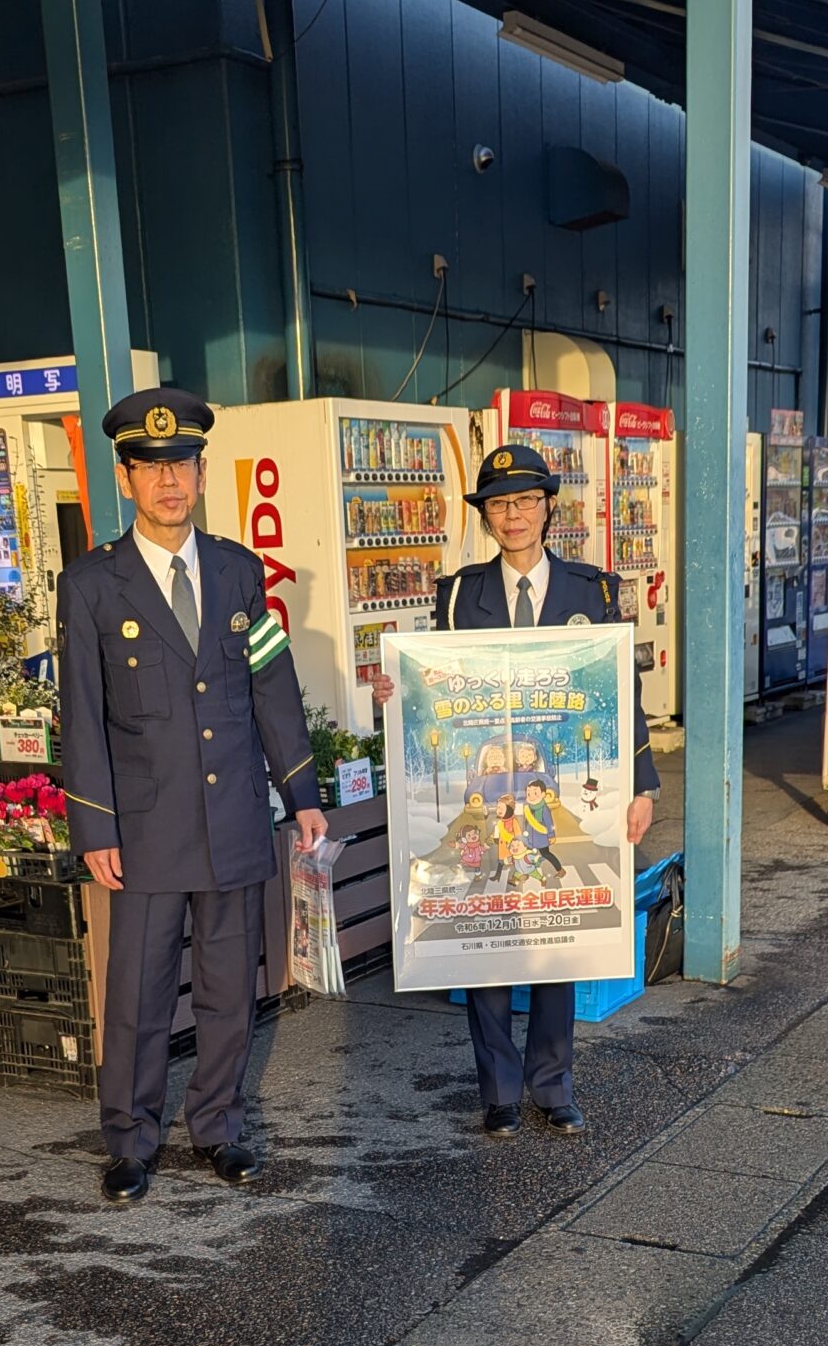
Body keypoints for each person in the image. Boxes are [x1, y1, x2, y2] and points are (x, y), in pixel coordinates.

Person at [57, 385, 326, 1204]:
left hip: (234, 817)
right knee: (137, 994)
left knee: (227, 989)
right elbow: (82, 715)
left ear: (203, 472)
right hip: (144, 829)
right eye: (151, 467)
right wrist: (94, 827)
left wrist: (302, 793)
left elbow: (271, 683)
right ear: (125, 478)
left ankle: (218, 1126)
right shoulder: (91, 584)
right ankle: (130, 1140)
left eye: (181, 465)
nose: (169, 481)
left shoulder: (240, 572)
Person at [377, 441, 659, 1139]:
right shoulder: (458, 595)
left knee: (559, 943)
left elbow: (625, 695)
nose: (514, 515)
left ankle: (553, 1085)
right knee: (485, 946)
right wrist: (393, 691)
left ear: (548, 508)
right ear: (486, 516)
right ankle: (499, 1092)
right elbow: (430, 686)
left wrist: (644, 786)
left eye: (526, 501)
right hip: (487, 793)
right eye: (500, 504)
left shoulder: (592, 593)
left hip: (550, 789)